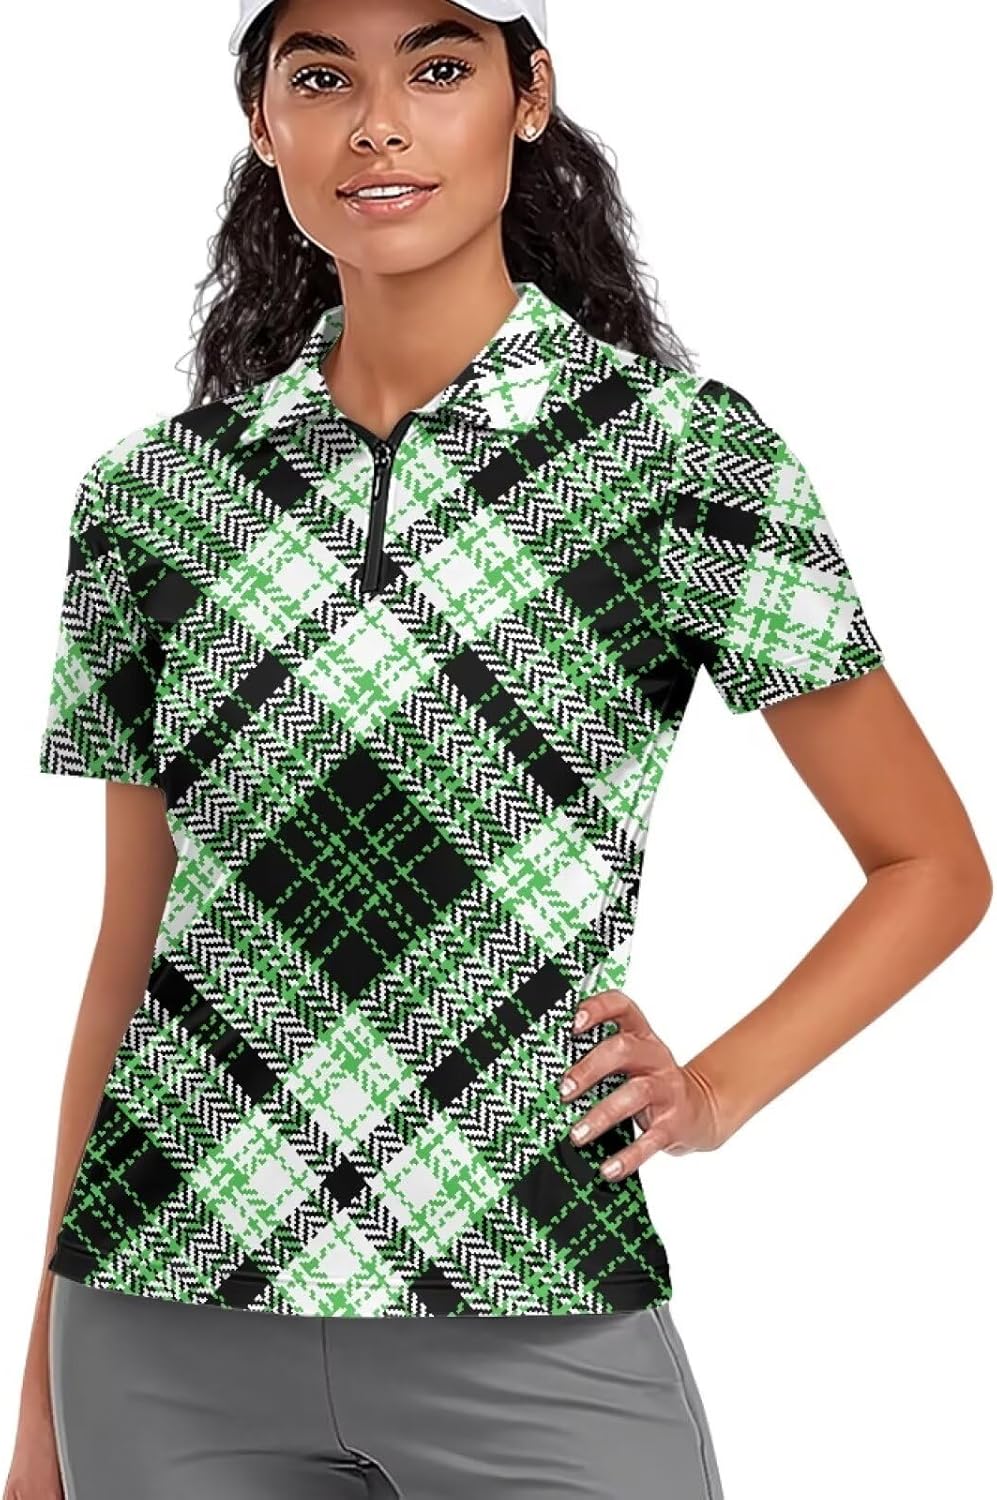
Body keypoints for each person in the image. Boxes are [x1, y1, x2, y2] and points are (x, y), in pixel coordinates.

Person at [5, 1, 991, 1497]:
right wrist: (38, 1391)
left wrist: (712, 1092)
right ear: (263, 124)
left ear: (530, 96)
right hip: (156, 1319)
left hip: (531, 1286)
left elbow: (929, 865)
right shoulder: (153, 495)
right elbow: (130, 953)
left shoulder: (682, 457)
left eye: (439, 66)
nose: (377, 122)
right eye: (321, 77)